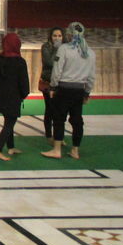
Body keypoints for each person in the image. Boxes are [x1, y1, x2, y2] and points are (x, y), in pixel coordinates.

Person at [43, 21, 96, 159]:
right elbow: (91, 76)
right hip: (79, 90)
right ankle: (75, 150)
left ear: (69, 35)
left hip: (64, 89)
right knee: (77, 120)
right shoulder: (90, 53)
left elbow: (57, 70)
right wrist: (87, 93)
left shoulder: (64, 49)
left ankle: (57, 149)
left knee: (59, 119)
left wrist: (53, 86)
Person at [0, 32, 30, 161]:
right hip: (14, 97)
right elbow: (24, 82)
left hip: (2, 96)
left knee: (8, 121)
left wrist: (0, 90)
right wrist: (23, 94)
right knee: (9, 123)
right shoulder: (20, 62)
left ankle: (11, 147)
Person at [39, 26, 64, 140]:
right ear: (50, 36)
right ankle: (49, 135)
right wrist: (56, 49)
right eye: (55, 36)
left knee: (60, 111)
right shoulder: (46, 47)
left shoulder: (65, 47)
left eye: (59, 36)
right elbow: (49, 62)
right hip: (48, 82)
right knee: (49, 109)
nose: (57, 38)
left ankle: (59, 136)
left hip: (61, 83)